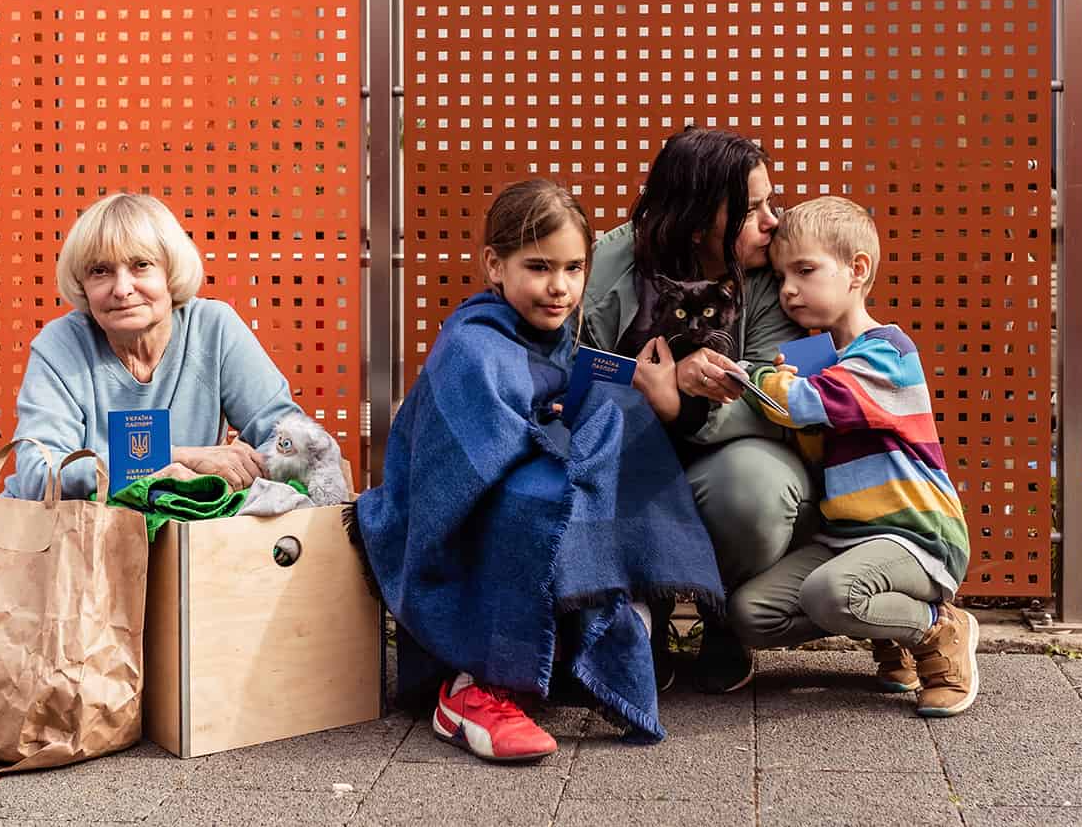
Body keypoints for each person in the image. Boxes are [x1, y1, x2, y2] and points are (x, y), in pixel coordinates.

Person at [351, 179, 724, 763]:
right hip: (456, 523)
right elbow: (468, 466)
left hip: (510, 500)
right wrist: (562, 432)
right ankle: (475, 687)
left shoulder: (558, 340)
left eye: (575, 268)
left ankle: (570, 641)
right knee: (537, 498)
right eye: (539, 267)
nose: (560, 287)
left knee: (611, 427)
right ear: (493, 266)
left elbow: (566, 409)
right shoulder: (474, 345)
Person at [579, 127, 812, 693]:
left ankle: (712, 608)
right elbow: (568, 371)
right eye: (753, 208)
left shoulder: (773, 274)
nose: (773, 221)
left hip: (718, 466)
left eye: (771, 202)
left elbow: (783, 391)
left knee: (756, 487)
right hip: (625, 461)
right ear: (697, 221)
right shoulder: (610, 263)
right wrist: (638, 381)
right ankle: (637, 616)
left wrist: (684, 402)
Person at [731, 196, 978, 716]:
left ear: (857, 270)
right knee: (751, 614)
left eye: (805, 270)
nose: (788, 290)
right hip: (847, 540)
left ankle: (938, 631)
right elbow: (813, 436)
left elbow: (801, 404)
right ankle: (889, 629)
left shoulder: (887, 352)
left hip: (915, 537)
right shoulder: (822, 358)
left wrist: (748, 375)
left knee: (830, 592)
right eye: (779, 277)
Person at [3, 193, 303, 500]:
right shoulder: (60, 344)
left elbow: (289, 439)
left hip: (181, 534)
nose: (121, 289)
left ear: (170, 272)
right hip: (72, 540)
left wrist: (248, 469)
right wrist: (173, 458)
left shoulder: (214, 327)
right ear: (82, 284)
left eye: (141, 265)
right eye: (100, 271)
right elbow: (39, 475)